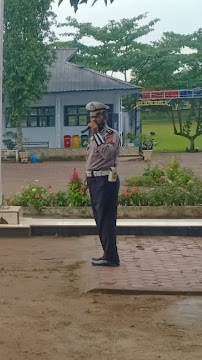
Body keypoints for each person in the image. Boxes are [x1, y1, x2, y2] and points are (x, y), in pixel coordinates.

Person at [84, 102, 121, 267]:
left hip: (105, 181)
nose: (93, 120)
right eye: (91, 117)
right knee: (100, 220)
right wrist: (86, 180)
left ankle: (111, 257)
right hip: (94, 180)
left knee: (106, 220)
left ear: (103, 117)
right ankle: (108, 253)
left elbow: (108, 155)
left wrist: (96, 135)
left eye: (96, 116)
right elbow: (93, 161)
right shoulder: (95, 137)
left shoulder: (111, 134)